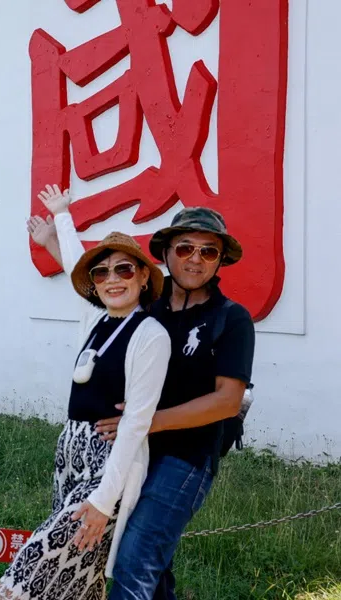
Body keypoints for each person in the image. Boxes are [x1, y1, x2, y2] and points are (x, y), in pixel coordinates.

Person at [43, 186, 256, 600]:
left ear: (220, 260)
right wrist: (54, 235)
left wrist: (145, 422)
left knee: (134, 560)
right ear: (165, 255)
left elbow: (228, 400)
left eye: (208, 251)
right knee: (148, 561)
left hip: (186, 458)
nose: (195, 258)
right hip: (134, 452)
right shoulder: (149, 309)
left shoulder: (231, 319)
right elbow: (100, 280)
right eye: (185, 248)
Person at [0, 185, 171, 600]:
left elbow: (137, 423)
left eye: (124, 270)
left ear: (143, 277)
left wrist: (105, 501)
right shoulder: (97, 320)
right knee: (78, 576)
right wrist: (62, 217)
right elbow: (75, 265)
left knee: (37, 563)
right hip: (70, 451)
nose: (112, 280)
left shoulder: (150, 335)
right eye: (103, 273)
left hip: (107, 463)